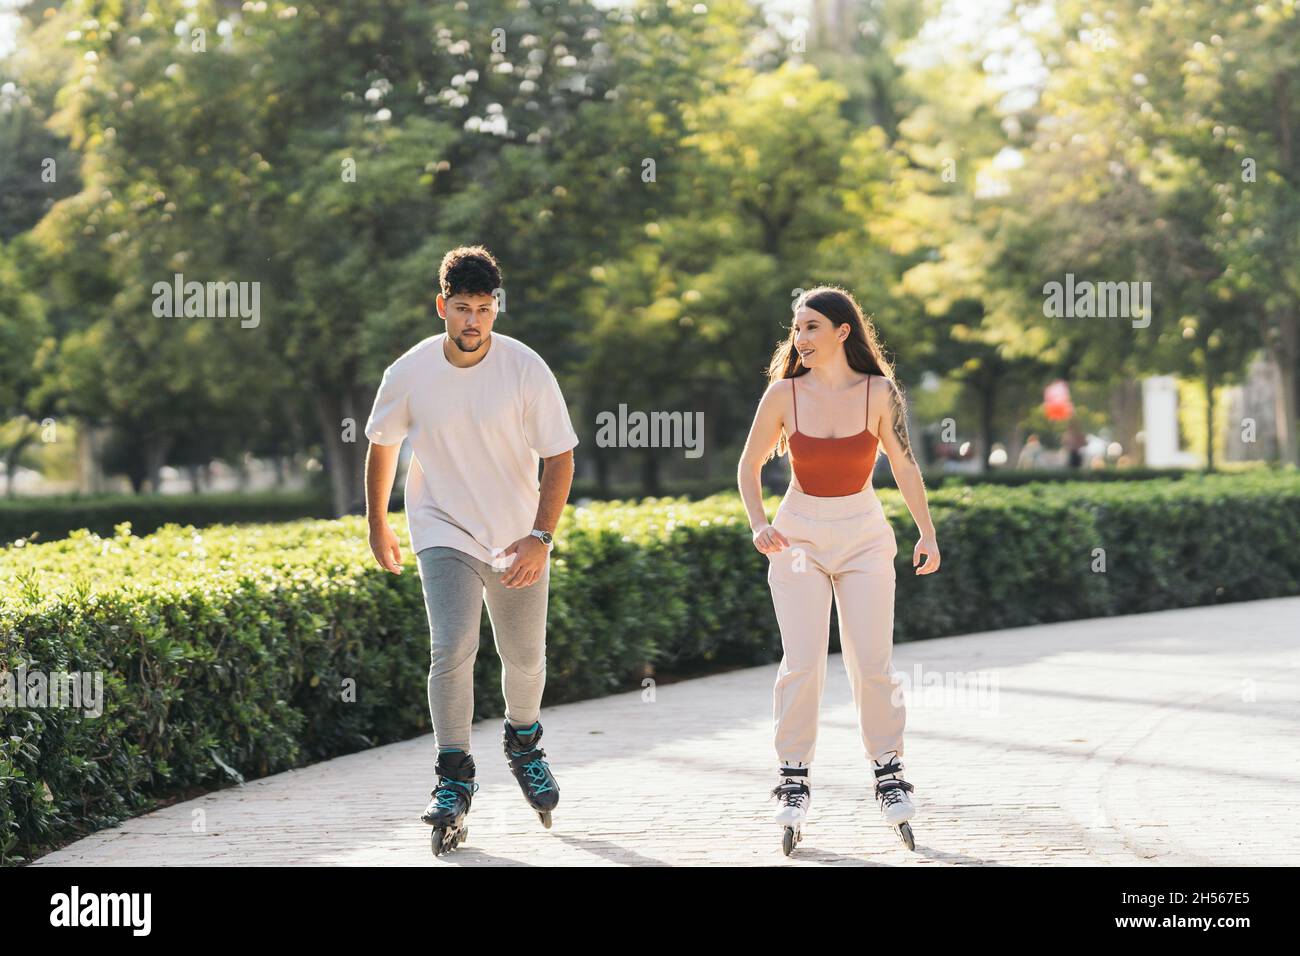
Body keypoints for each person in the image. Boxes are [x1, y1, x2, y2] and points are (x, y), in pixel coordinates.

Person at [363, 245, 579, 852]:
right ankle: (453, 776)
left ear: (495, 309)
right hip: (442, 527)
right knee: (452, 644)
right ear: (442, 307)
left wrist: (540, 537)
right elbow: (382, 448)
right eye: (462, 308)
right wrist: (378, 523)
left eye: (484, 309)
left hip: (517, 536)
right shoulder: (408, 372)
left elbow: (559, 456)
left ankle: (523, 742)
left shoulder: (525, 368)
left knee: (525, 657)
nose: (473, 321)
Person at [736, 286, 941, 853]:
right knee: (802, 662)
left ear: (842, 332)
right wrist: (758, 523)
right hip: (798, 532)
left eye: (810, 328)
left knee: (871, 662)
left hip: (864, 535)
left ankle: (889, 770)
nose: (798, 339)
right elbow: (749, 466)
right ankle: (793, 776)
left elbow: (902, 461)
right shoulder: (783, 395)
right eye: (796, 329)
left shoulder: (879, 391)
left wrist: (926, 531)